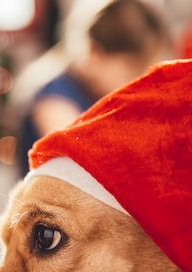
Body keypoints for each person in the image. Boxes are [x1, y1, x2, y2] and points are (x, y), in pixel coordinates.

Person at [16, 0, 173, 173]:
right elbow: (85, 164)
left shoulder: (99, 92)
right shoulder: (53, 99)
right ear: (94, 52)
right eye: (128, 71)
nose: (136, 81)